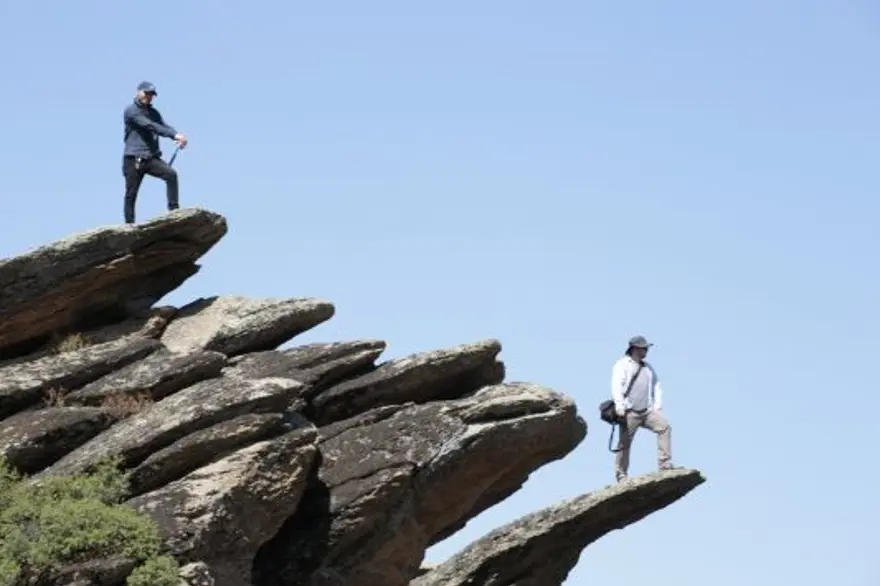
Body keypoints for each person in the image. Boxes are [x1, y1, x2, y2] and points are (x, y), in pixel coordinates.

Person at [610, 335, 678, 482]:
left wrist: (657, 406)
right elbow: (617, 385)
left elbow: (656, 385)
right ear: (634, 348)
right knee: (624, 443)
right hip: (629, 411)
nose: (646, 350)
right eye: (643, 348)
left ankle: (664, 464)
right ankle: (621, 474)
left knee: (664, 427)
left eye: (646, 348)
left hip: (647, 411)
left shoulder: (647, 367)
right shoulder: (622, 364)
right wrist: (620, 406)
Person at [122, 81, 188, 224]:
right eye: (146, 93)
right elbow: (150, 126)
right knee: (131, 193)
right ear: (138, 92)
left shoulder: (153, 113)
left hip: (151, 158)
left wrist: (177, 135)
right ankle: (129, 225)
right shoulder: (131, 111)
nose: (149, 96)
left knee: (171, 175)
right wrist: (173, 135)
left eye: (151, 94)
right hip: (133, 159)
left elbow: (163, 125)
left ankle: (174, 211)